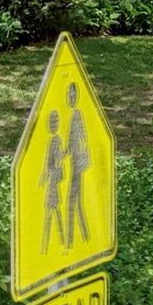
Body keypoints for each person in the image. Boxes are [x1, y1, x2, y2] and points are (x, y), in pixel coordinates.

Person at [66, 83, 92, 244]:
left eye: (72, 95)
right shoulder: (72, 115)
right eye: (69, 95)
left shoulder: (77, 115)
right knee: (76, 201)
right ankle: (85, 236)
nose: (70, 98)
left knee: (71, 200)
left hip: (78, 164)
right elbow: (71, 144)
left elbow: (82, 138)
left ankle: (70, 241)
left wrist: (83, 158)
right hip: (75, 163)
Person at [41, 109, 68, 251]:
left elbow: (57, 160)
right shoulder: (52, 140)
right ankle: (56, 245)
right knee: (53, 212)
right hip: (51, 180)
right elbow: (48, 163)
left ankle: (50, 246)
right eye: (51, 122)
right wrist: (43, 178)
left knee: (52, 212)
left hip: (53, 182)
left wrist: (50, 176)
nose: (52, 125)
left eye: (55, 122)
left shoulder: (56, 140)